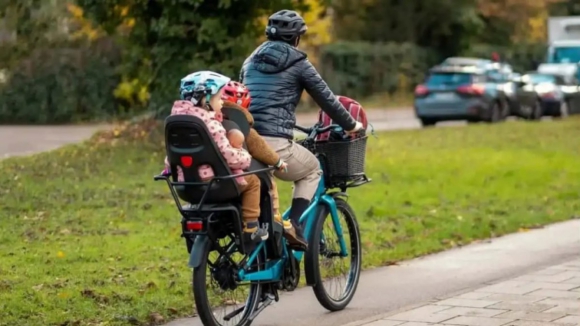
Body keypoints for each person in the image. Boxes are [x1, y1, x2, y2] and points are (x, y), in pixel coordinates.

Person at [239, 9, 363, 249]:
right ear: (296, 38)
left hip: (245, 141)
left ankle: (270, 248)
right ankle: (295, 225)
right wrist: (351, 125)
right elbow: (327, 99)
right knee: (313, 170)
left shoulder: (249, 61)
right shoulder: (298, 62)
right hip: (274, 145)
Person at [163, 71, 268, 245]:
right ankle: (251, 227)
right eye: (219, 99)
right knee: (254, 182)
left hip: (186, 184)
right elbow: (228, 157)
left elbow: (172, 155)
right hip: (216, 183)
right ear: (205, 101)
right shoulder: (211, 124)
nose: (222, 103)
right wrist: (245, 156)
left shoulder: (177, 122)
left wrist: (169, 169)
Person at [220, 81, 308, 250]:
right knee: (267, 178)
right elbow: (261, 149)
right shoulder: (244, 128)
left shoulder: (212, 124)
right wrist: (278, 162)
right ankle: (274, 215)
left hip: (217, 179)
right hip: (240, 177)